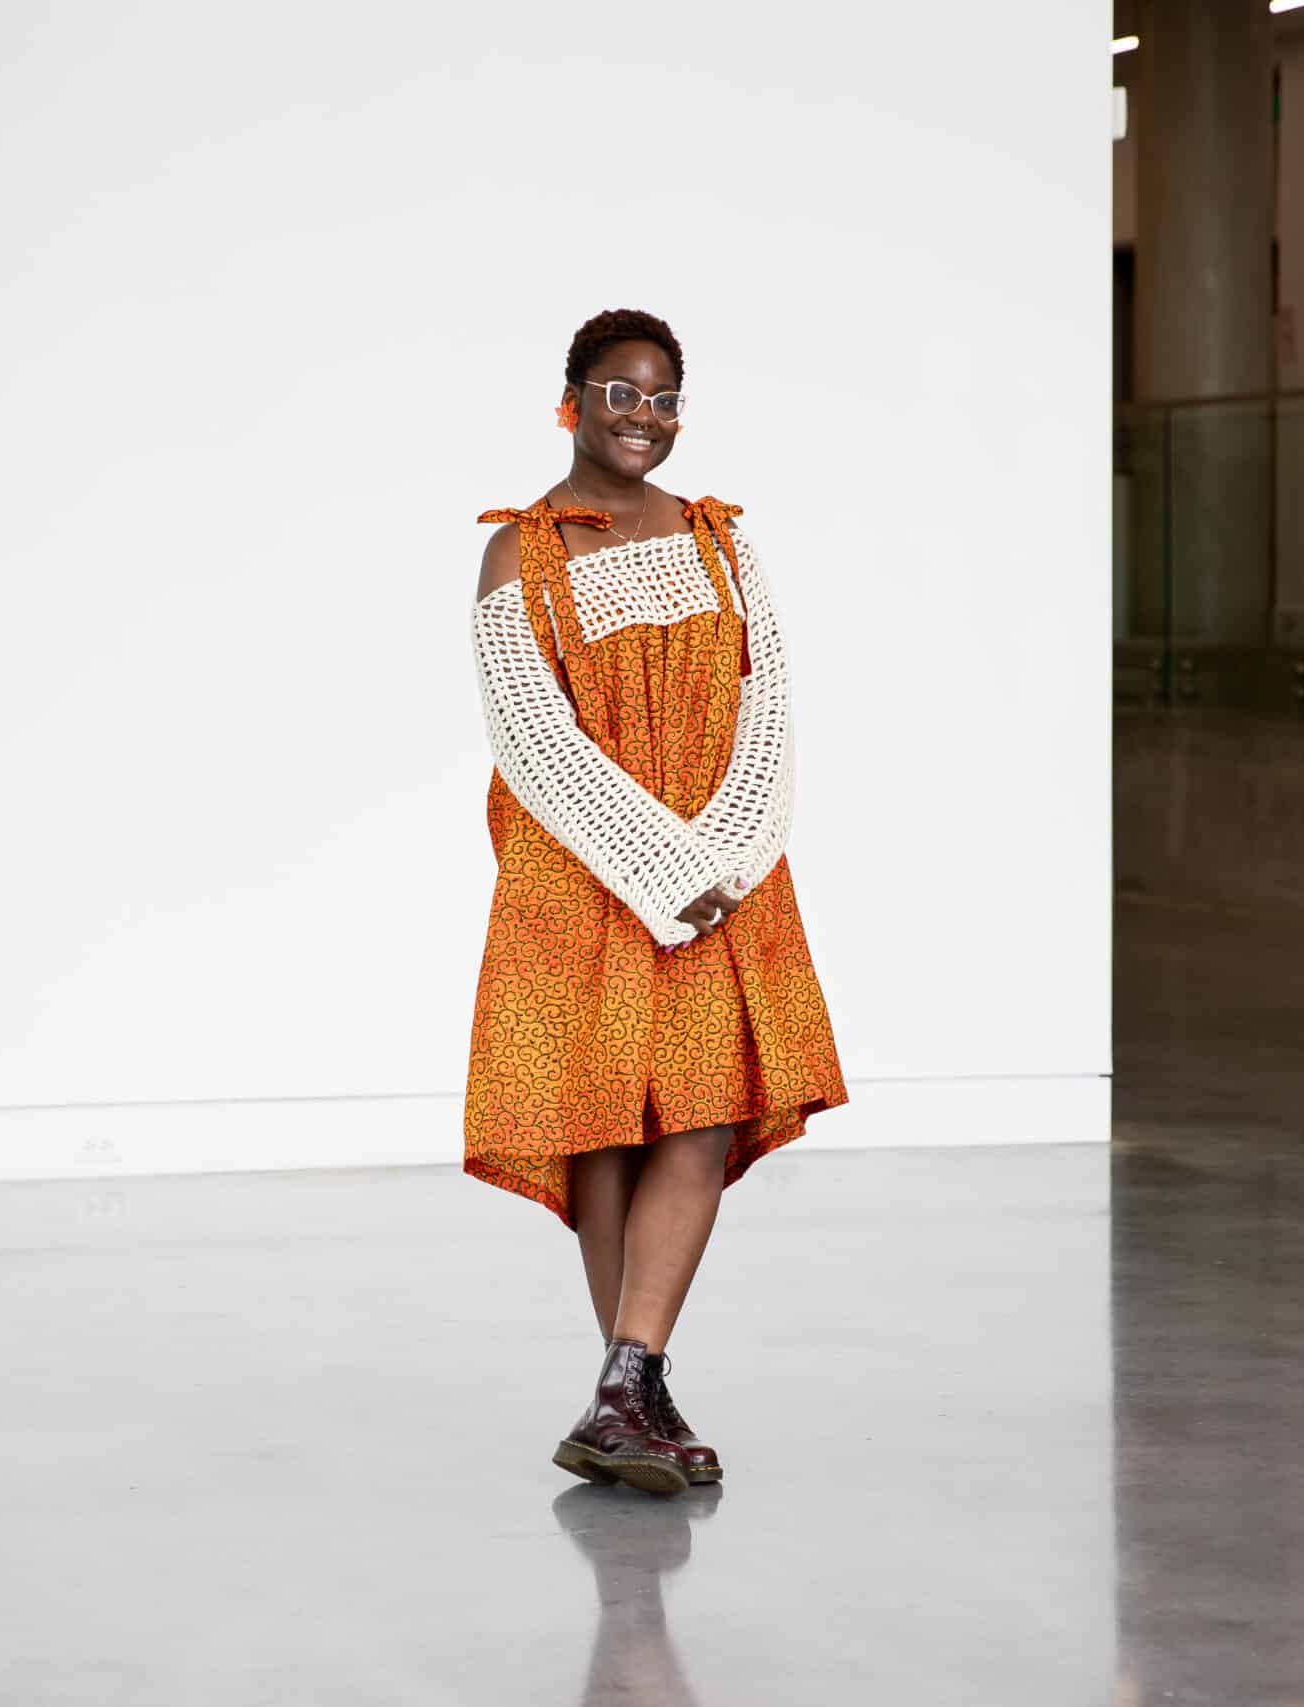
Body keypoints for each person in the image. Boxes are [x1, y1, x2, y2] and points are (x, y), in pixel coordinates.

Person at [464, 307, 849, 1499]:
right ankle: (633, 1390)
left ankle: (624, 1387)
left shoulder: (719, 539)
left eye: (665, 398)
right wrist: (661, 868)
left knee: (698, 1112)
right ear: (570, 401)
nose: (644, 418)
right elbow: (537, 744)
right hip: (583, 877)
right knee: (604, 1129)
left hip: (720, 879)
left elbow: (769, 704)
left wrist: (724, 852)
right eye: (620, 394)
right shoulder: (517, 553)